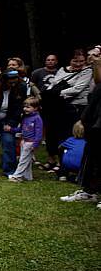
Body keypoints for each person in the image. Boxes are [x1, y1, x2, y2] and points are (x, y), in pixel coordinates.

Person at [41, 49, 93, 172]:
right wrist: (56, 92)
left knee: (68, 134)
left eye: (82, 61)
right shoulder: (62, 70)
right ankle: (51, 159)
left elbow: (78, 88)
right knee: (53, 132)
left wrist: (58, 93)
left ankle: (63, 162)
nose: (79, 64)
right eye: (76, 61)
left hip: (75, 106)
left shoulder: (87, 71)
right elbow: (54, 83)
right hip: (58, 107)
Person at [60, 56, 101, 204]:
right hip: (94, 123)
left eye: (96, 55)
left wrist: (97, 63)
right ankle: (89, 191)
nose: (92, 58)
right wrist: (84, 119)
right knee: (92, 159)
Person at [5, 96, 43, 182]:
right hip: (24, 141)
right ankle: (27, 176)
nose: (25, 109)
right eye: (25, 107)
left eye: (28, 107)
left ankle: (17, 176)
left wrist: (35, 144)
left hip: (30, 142)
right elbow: (21, 129)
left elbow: (39, 133)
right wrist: (11, 129)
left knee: (23, 160)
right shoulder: (25, 117)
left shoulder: (37, 119)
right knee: (26, 160)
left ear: (35, 108)